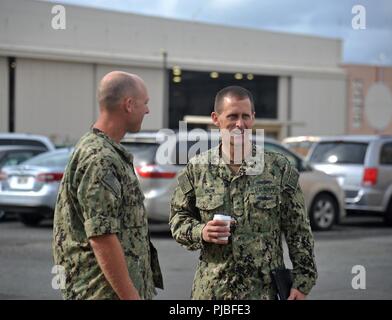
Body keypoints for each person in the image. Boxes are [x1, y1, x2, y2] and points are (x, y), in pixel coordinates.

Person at [169, 85, 317, 300]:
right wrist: (201, 231)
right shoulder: (197, 169)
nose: (240, 124)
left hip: (264, 291)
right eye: (232, 116)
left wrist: (303, 282)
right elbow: (177, 220)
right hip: (213, 291)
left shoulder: (278, 168)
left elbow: (298, 229)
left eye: (245, 116)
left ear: (253, 118)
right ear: (215, 118)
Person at [53, 71, 163, 300]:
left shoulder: (105, 151)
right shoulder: (100, 158)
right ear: (129, 104)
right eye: (146, 103)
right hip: (102, 293)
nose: (148, 110)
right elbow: (102, 236)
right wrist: (131, 296)